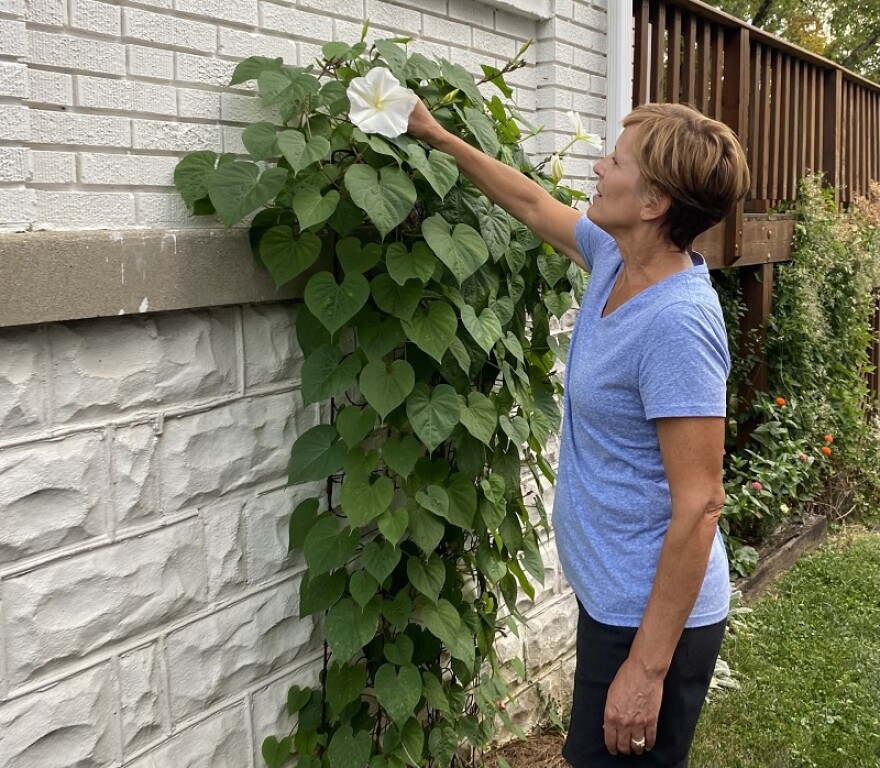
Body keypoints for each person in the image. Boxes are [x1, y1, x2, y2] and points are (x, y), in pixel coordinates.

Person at [406, 99, 750, 766]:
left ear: (651, 202)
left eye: (615, 162)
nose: (597, 165)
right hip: (618, 599)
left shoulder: (676, 324)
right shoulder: (618, 260)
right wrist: (439, 136)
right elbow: (534, 206)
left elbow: (702, 502)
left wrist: (647, 670)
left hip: (651, 620)